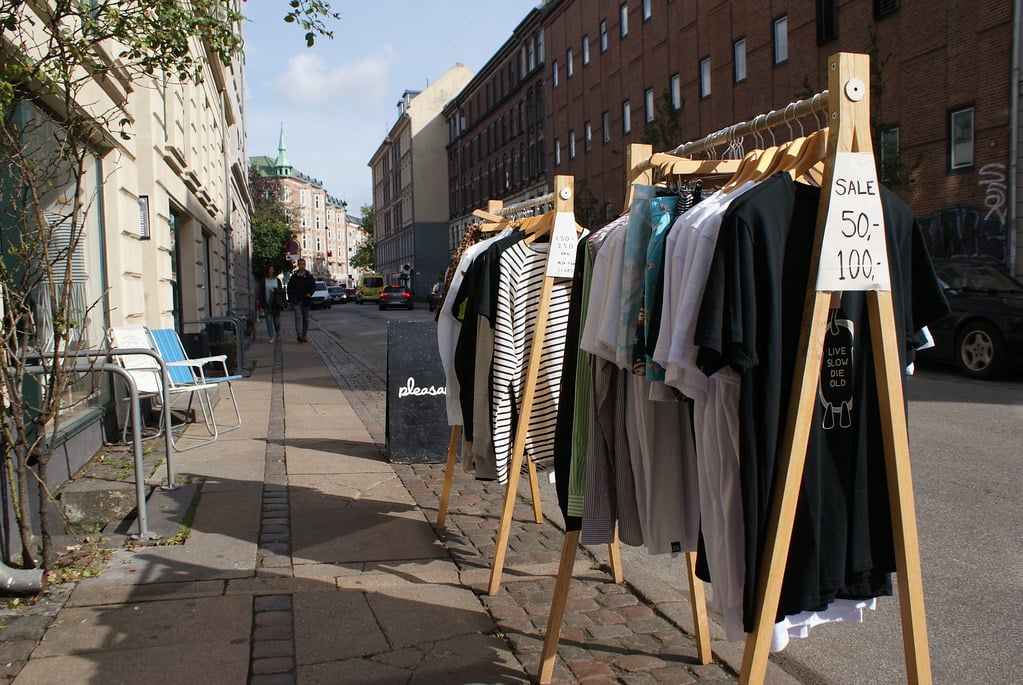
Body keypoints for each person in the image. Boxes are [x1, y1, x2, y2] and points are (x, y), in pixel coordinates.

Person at [287, 258, 316, 343]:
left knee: (305, 319)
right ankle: (299, 335)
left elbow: (313, 287)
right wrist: (291, 299)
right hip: (296, 301)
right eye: (300, 264)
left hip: (306, 301)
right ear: (298, 265)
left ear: (305, 265)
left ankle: (304, 335)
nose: (302, 266)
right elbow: (289, 288)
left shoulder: (309, 276)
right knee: (298, 317)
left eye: (303, 264)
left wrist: (310, 294)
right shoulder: (294, 277)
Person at [257, 264, 284, 343]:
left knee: (277, 321)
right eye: (270, 269)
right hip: (267, 303)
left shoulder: (277, 280)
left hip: (276, 303)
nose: (271, 271)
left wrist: (275, 290)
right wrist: (262, 304)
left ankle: (277, 333)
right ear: (267, 271)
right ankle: (272, 336)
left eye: (272, 269)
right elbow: (261, 293)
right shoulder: (263, 280)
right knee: (269, 320)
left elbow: (281, 291)